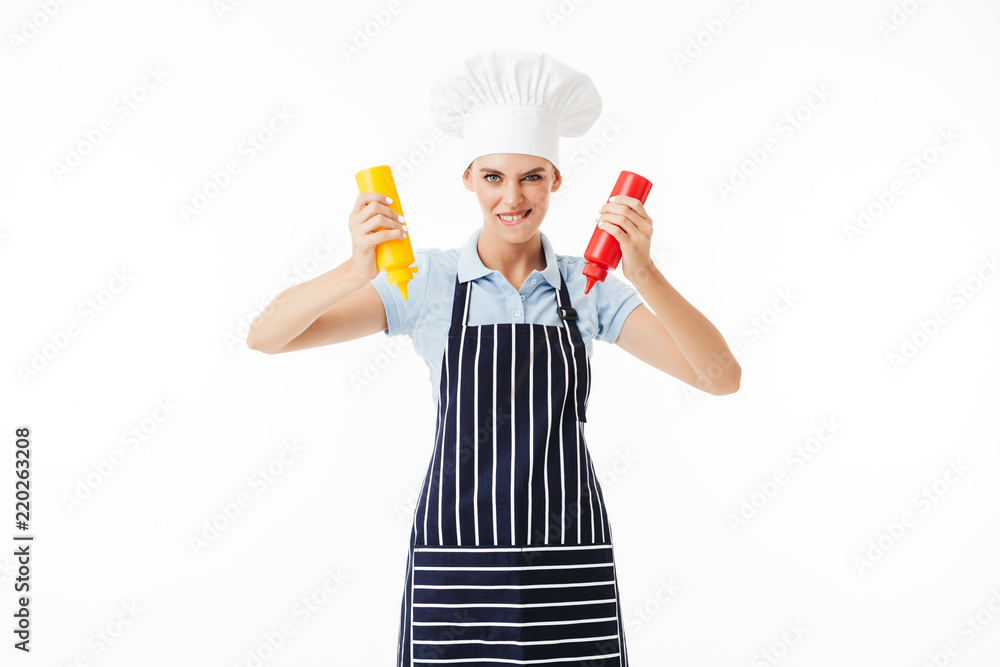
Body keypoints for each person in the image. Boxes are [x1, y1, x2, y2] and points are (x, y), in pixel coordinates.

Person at [247, 49, 740, 666]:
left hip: (565, 559)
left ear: (556, 180)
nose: (513, 196)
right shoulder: (424, 282)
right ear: (468, 181)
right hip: (456, 561)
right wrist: (354, 269)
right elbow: (267, 337)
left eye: (532, 176)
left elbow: (721, 378)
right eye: (494, 178)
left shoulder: (585, 287)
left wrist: (645, 272)